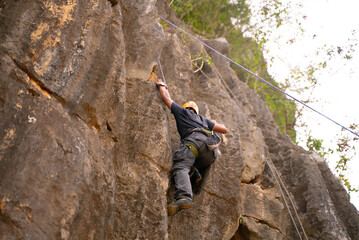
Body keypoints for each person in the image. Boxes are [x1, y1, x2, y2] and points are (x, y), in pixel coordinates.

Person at [156, 78, 228, 216]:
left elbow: (166, 98)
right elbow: (224, 130)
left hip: (194, 142)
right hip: (210, 152)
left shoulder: (182, 112)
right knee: (190, 160)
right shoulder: (203, 120)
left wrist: (161, 85)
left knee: (181, 165)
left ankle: (184, 196)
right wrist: (213, 122)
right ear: (196, 110)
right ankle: (193, 172)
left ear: (186, 108)